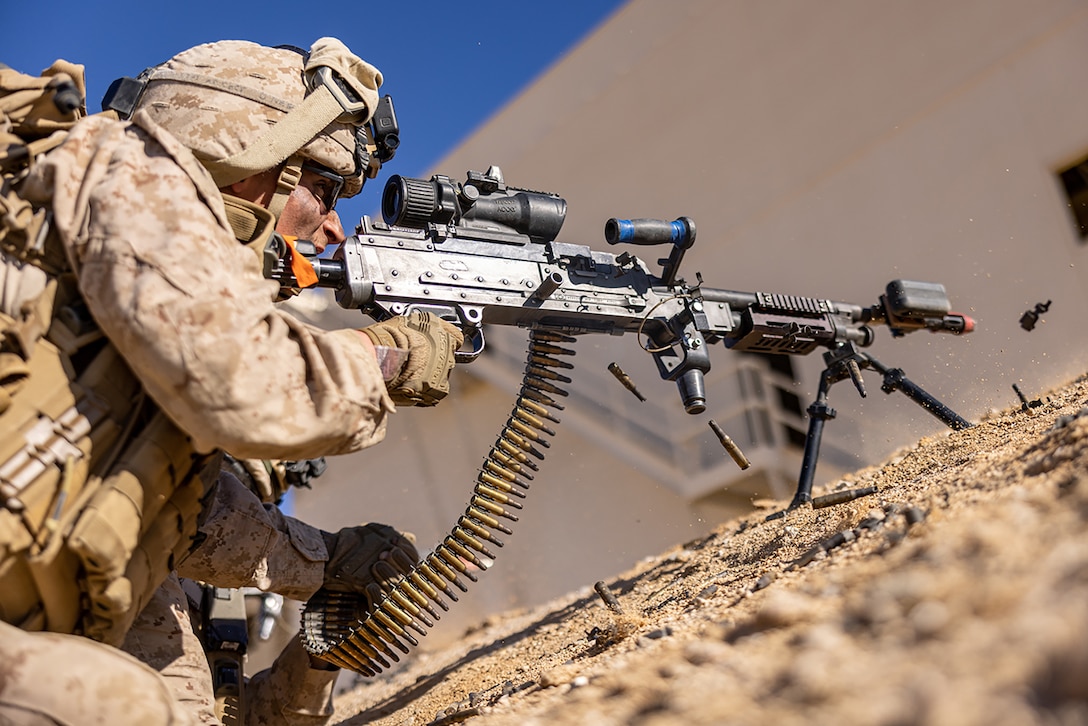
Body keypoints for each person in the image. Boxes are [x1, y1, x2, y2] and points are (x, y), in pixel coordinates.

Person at [0, 37, 462, 725]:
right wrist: (388, 355)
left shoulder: (117, 467)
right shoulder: (124, 174)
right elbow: (244, 387)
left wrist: (328, 579)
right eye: (324, 189)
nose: (333, 229)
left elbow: (189, 526)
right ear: (250, 154)